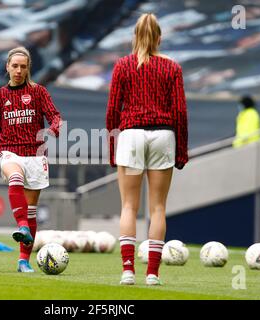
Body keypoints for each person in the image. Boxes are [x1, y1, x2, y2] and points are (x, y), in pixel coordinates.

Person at [106, 13, 188, 286]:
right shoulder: (172, 68)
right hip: (163, 136)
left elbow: (112, 111)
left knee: (129, 206)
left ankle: (127, 271)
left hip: (130, 136)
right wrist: (181, 150)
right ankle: (152, 274)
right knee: (158, 208)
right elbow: (179, 112)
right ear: (159, 38)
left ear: (134, 37)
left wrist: (111, 147)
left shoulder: (122, 66)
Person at [0, 46, 62, 272]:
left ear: (28, 69)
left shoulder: (38, 92)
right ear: (7, 67)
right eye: (15, 66)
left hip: (35, 155)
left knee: (31, 212)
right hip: (10, 151)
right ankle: (22, 227)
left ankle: (23, 261)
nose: (18, 70)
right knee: (15, 177)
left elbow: (54, 115)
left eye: (23, 67)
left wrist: (54, 128)